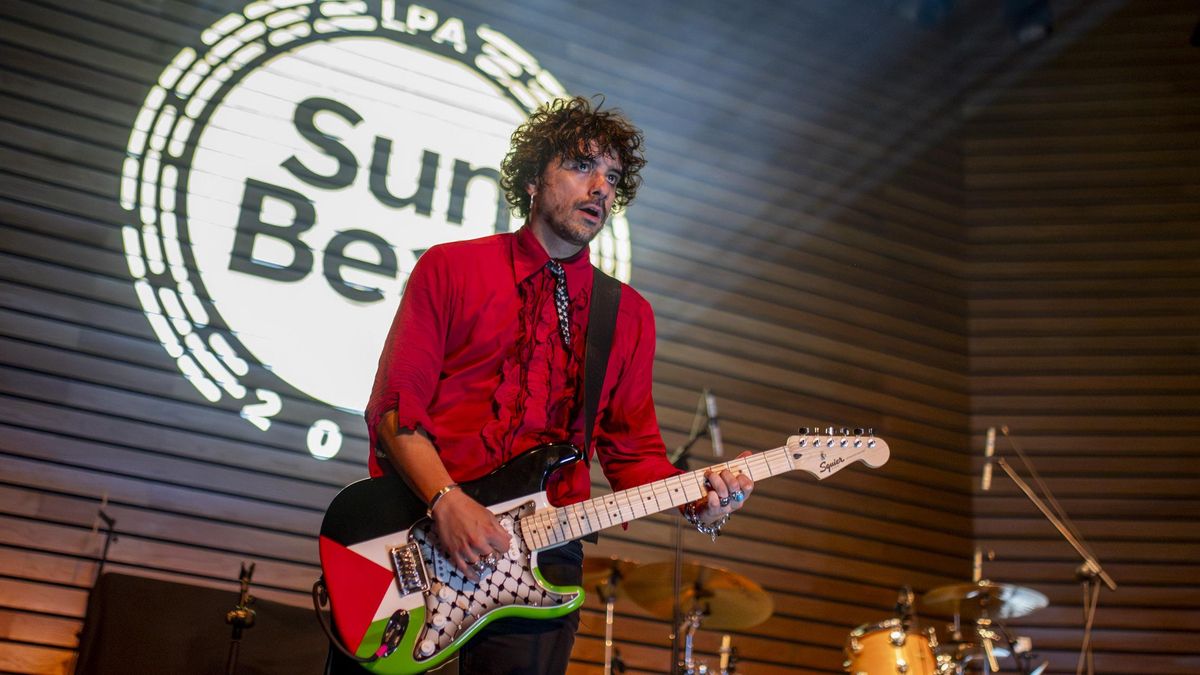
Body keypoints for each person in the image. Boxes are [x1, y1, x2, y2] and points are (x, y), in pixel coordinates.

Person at [346, 96, 754, 674]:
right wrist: (446, 499)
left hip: (543, 554)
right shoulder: (452, 268)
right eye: (582, 166)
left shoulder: (627, 314)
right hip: (415, 530)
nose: (601, 188)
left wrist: (703, 502)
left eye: (612, 177)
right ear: (535, 178)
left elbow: (635, 454)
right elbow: (394, 410)